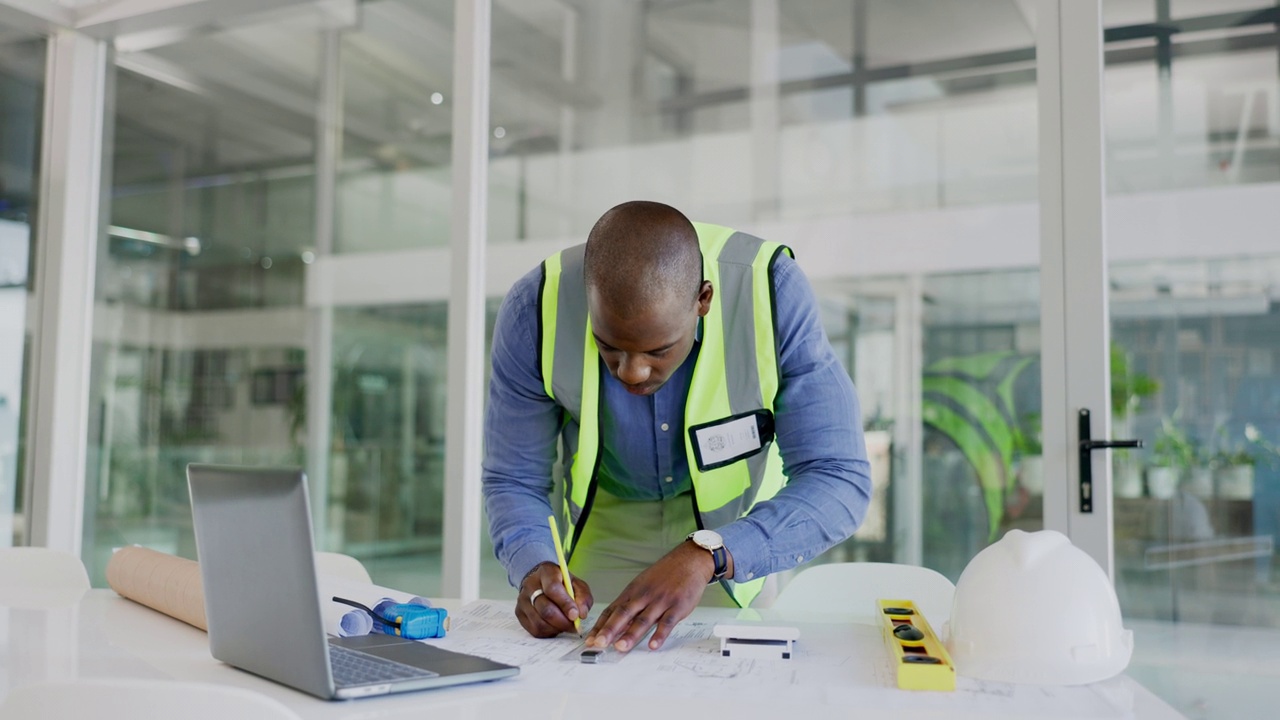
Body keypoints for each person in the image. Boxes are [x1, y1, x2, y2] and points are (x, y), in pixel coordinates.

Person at [482, 200, 870, 653]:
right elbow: (512, 477)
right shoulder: (534, 308)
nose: (631, 373)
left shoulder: (772, 291)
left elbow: (839, 476)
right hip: (606, 520)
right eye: (608, 346)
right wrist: (534, 566)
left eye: (657, 350)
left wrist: (714, 552)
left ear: (703, 300)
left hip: (734, 529)